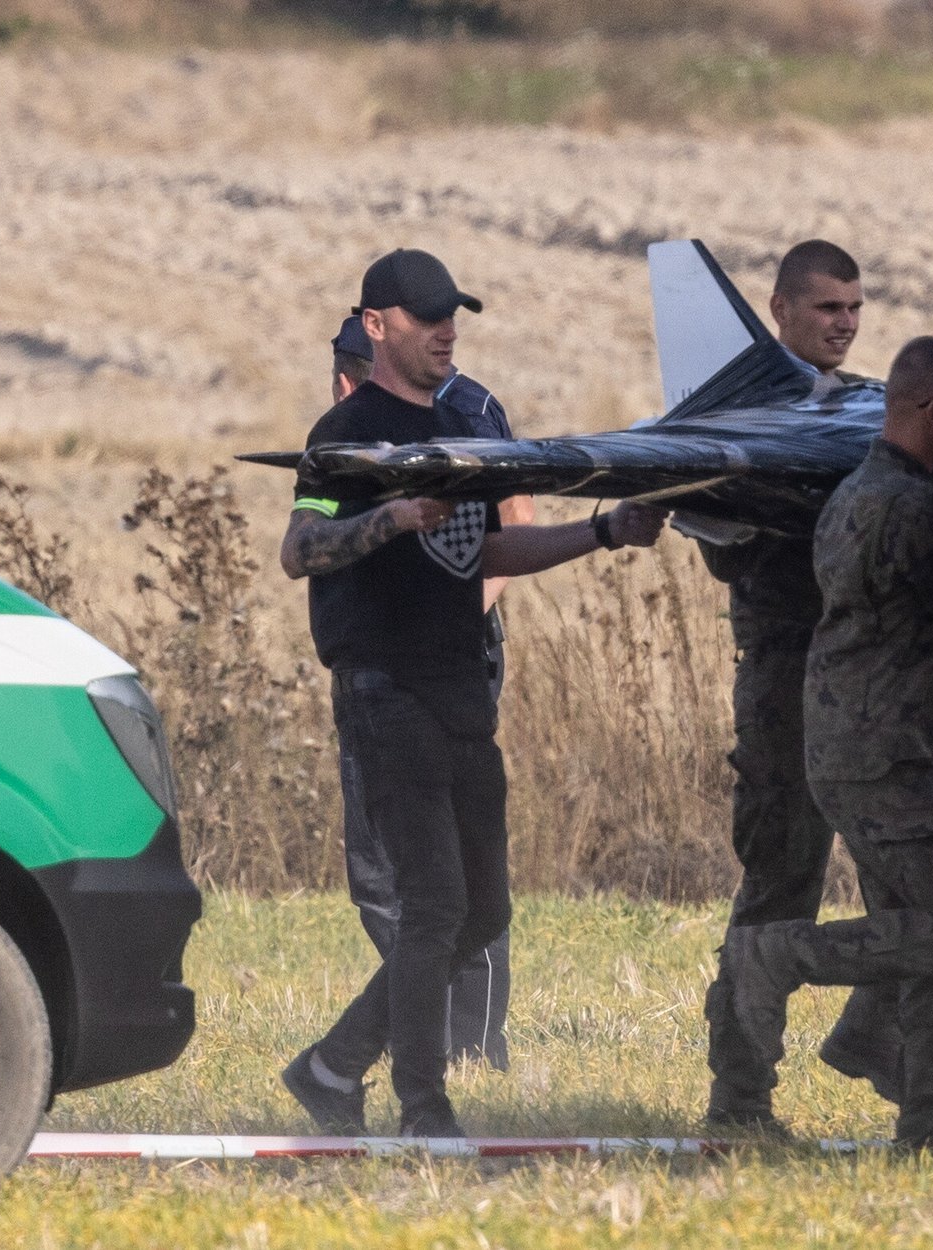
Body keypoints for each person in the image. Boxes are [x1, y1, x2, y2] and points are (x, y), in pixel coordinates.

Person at [280, 248, 666, 1137]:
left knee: (483, 907)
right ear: (377, 327)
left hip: (460, 688)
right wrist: (387, 517)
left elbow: (485, 554)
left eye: (453, 313)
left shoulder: (465, 427)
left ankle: (332, 1066)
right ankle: (425, 1106)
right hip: (383, 689)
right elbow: (300, 550)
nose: (447, 330)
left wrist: (604, 530)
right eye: (426, 317)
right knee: (436, 905)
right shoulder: (346, 439)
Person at [717, 335, 933, 1151]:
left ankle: (926, 1114)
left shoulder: (859, 491)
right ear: (931, 411)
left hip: (894, 734)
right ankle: (781, 957)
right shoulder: (907, 509)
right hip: (878, 749)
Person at [697, 240, 889, 1133]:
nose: (844, 324)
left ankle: (874, 1029)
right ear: (778, 309)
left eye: (853, 309)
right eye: (826, 309)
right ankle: (739, 1100)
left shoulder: (861, 409)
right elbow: (712, 537)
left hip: (876, 672)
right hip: (785, 677)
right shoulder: (748, 419)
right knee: (784, 879)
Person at [330, 314, 530, 1072]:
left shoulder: (471, 413)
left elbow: (516, 526)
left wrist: (442, 622)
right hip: (375, 665)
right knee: (380, 873)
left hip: (449, 665)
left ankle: (470, 1046)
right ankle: (418, 1036)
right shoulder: (350, 431)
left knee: (459, 874)